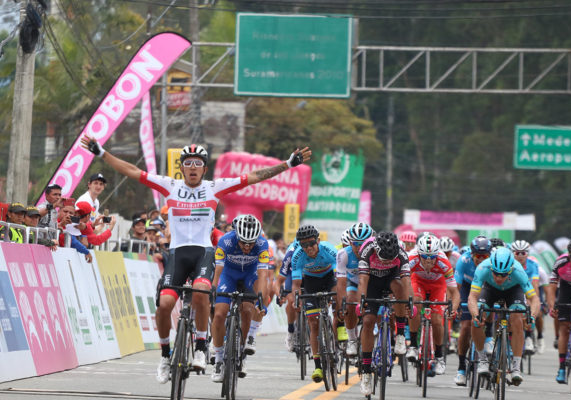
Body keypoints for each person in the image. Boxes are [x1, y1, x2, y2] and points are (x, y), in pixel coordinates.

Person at [80, 136, 310, 383]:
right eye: (187, 163)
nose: (192, 167)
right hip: (178, 253)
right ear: (181, 167)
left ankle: (201, 345)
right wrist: (102, 152)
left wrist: (287, 163)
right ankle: (166, 356)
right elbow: (134, 171)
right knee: (165, 305)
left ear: (204, 168)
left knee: (201, 292)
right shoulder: (169, 185)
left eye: (197, 163)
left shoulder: (214, 187)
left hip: (203, 252)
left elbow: (254, 176)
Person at [469, 247, 540, 386]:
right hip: (490, 290)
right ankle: (483, 358)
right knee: (476, 319)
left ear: (511, 270)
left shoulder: (519, 271)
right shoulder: (484, 267)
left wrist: (532, 317)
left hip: (513, 291)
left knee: (517, 319)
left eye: (504, 274)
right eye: (496, 274)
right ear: (492, 268)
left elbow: (534, 299)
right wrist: (475, 314)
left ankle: (515, 367)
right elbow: (472, 296)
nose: (499, 278)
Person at [210, 215, 268, 382]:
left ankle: (241, 353)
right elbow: (218, 269)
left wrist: (261, 299)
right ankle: (219, 360)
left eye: (251, 243)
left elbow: (263, 275)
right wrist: (214, 288)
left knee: (248, 310)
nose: (247, 247)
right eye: (243, 243)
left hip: (250, 275)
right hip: (229, 275)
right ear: (237, 236)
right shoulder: (225, 241)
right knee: (219, 314)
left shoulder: (262, 244)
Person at [357, 231, 412, 396]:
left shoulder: (402, 252)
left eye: (390, 259)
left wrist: (411, 302)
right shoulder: (367, 249)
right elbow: (362, 280)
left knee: (399, 287)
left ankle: (400, 334)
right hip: (372, 281)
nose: (387, 261)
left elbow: (407, 281)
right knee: (368, 322)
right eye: (384, 258)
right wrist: (361, 300)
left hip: (391, 278)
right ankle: (366, 372)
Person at [406, 234, 460, 376]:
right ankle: (412, 345)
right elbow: (403, 283)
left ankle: (439, 356)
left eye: (432, 258)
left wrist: (452, 309)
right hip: (418, 282)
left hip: (437, 285)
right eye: (425, 258)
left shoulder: (443, 261)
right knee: (415, 304)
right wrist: (407, 303)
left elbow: (454, 292)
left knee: (437, 320)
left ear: (437, 255)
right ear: (419, 254)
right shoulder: (411, 258)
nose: (429, 262)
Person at [290, 224, 338, 383]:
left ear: (318, 241)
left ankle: (341, 326)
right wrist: (296, 299)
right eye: (304, 245)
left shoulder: (328, 249)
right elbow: (296, 285)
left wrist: (339, 299)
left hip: (329, 277)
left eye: (311, 243)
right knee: (313, 323)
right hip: (311, 281)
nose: (308, 247)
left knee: (339, 297)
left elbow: (340, 275)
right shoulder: (297, 256)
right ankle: (318, 366)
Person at [453, 235, 492, 385]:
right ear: (471, 254)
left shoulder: (493, 262)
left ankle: (488, 334)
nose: (481, 259)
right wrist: (456, 306)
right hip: (467, 287)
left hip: (485, 287)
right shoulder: (464, 261)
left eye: (485, 256)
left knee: (489, 306)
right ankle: (461, 368)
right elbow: (456, 287)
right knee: (466, 327)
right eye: (478, 256)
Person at [547, 238, 571, 384]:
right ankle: (562, 368)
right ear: (568, 255)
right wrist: (552, 306)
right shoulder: (560, 263)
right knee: (564, 328)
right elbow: (551, 287)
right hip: (566, 290)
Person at [336, 222, 375, 357]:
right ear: (350, 242)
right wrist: (342, 305)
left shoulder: (375, 254)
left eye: (362, 244)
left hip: (372, 283)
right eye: (355, 244)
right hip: (353, 282)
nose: (358, 248)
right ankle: (352, 339)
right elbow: (340, 284)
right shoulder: (343, 254)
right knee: (350, 302)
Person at [510, 240, 540, 353]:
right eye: (518, 253)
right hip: (512, 288)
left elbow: (535, 284)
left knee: (530, 305)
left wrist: (533, 300)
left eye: (523, 253)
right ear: (513, 253)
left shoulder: (533, 265)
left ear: (528, 253)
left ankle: (528, 336)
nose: (521, 256)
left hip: (527, 288)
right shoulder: (509, 264)